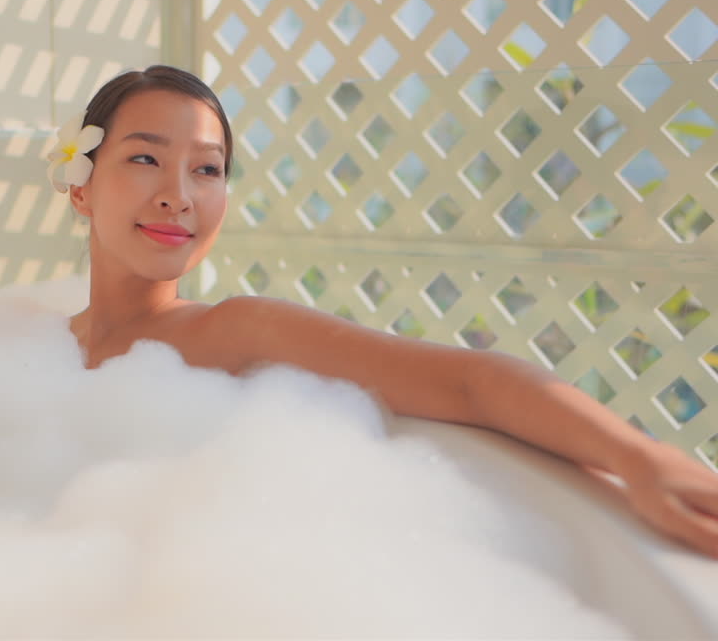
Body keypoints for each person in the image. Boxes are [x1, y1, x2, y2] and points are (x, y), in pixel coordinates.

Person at [44, 64, 718, 559]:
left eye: (207, 169)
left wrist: (637, 459)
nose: (179, 196)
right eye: (144, 158)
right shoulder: (35, 346)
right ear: (81, 186)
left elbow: (470, 382)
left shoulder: (230, 331)